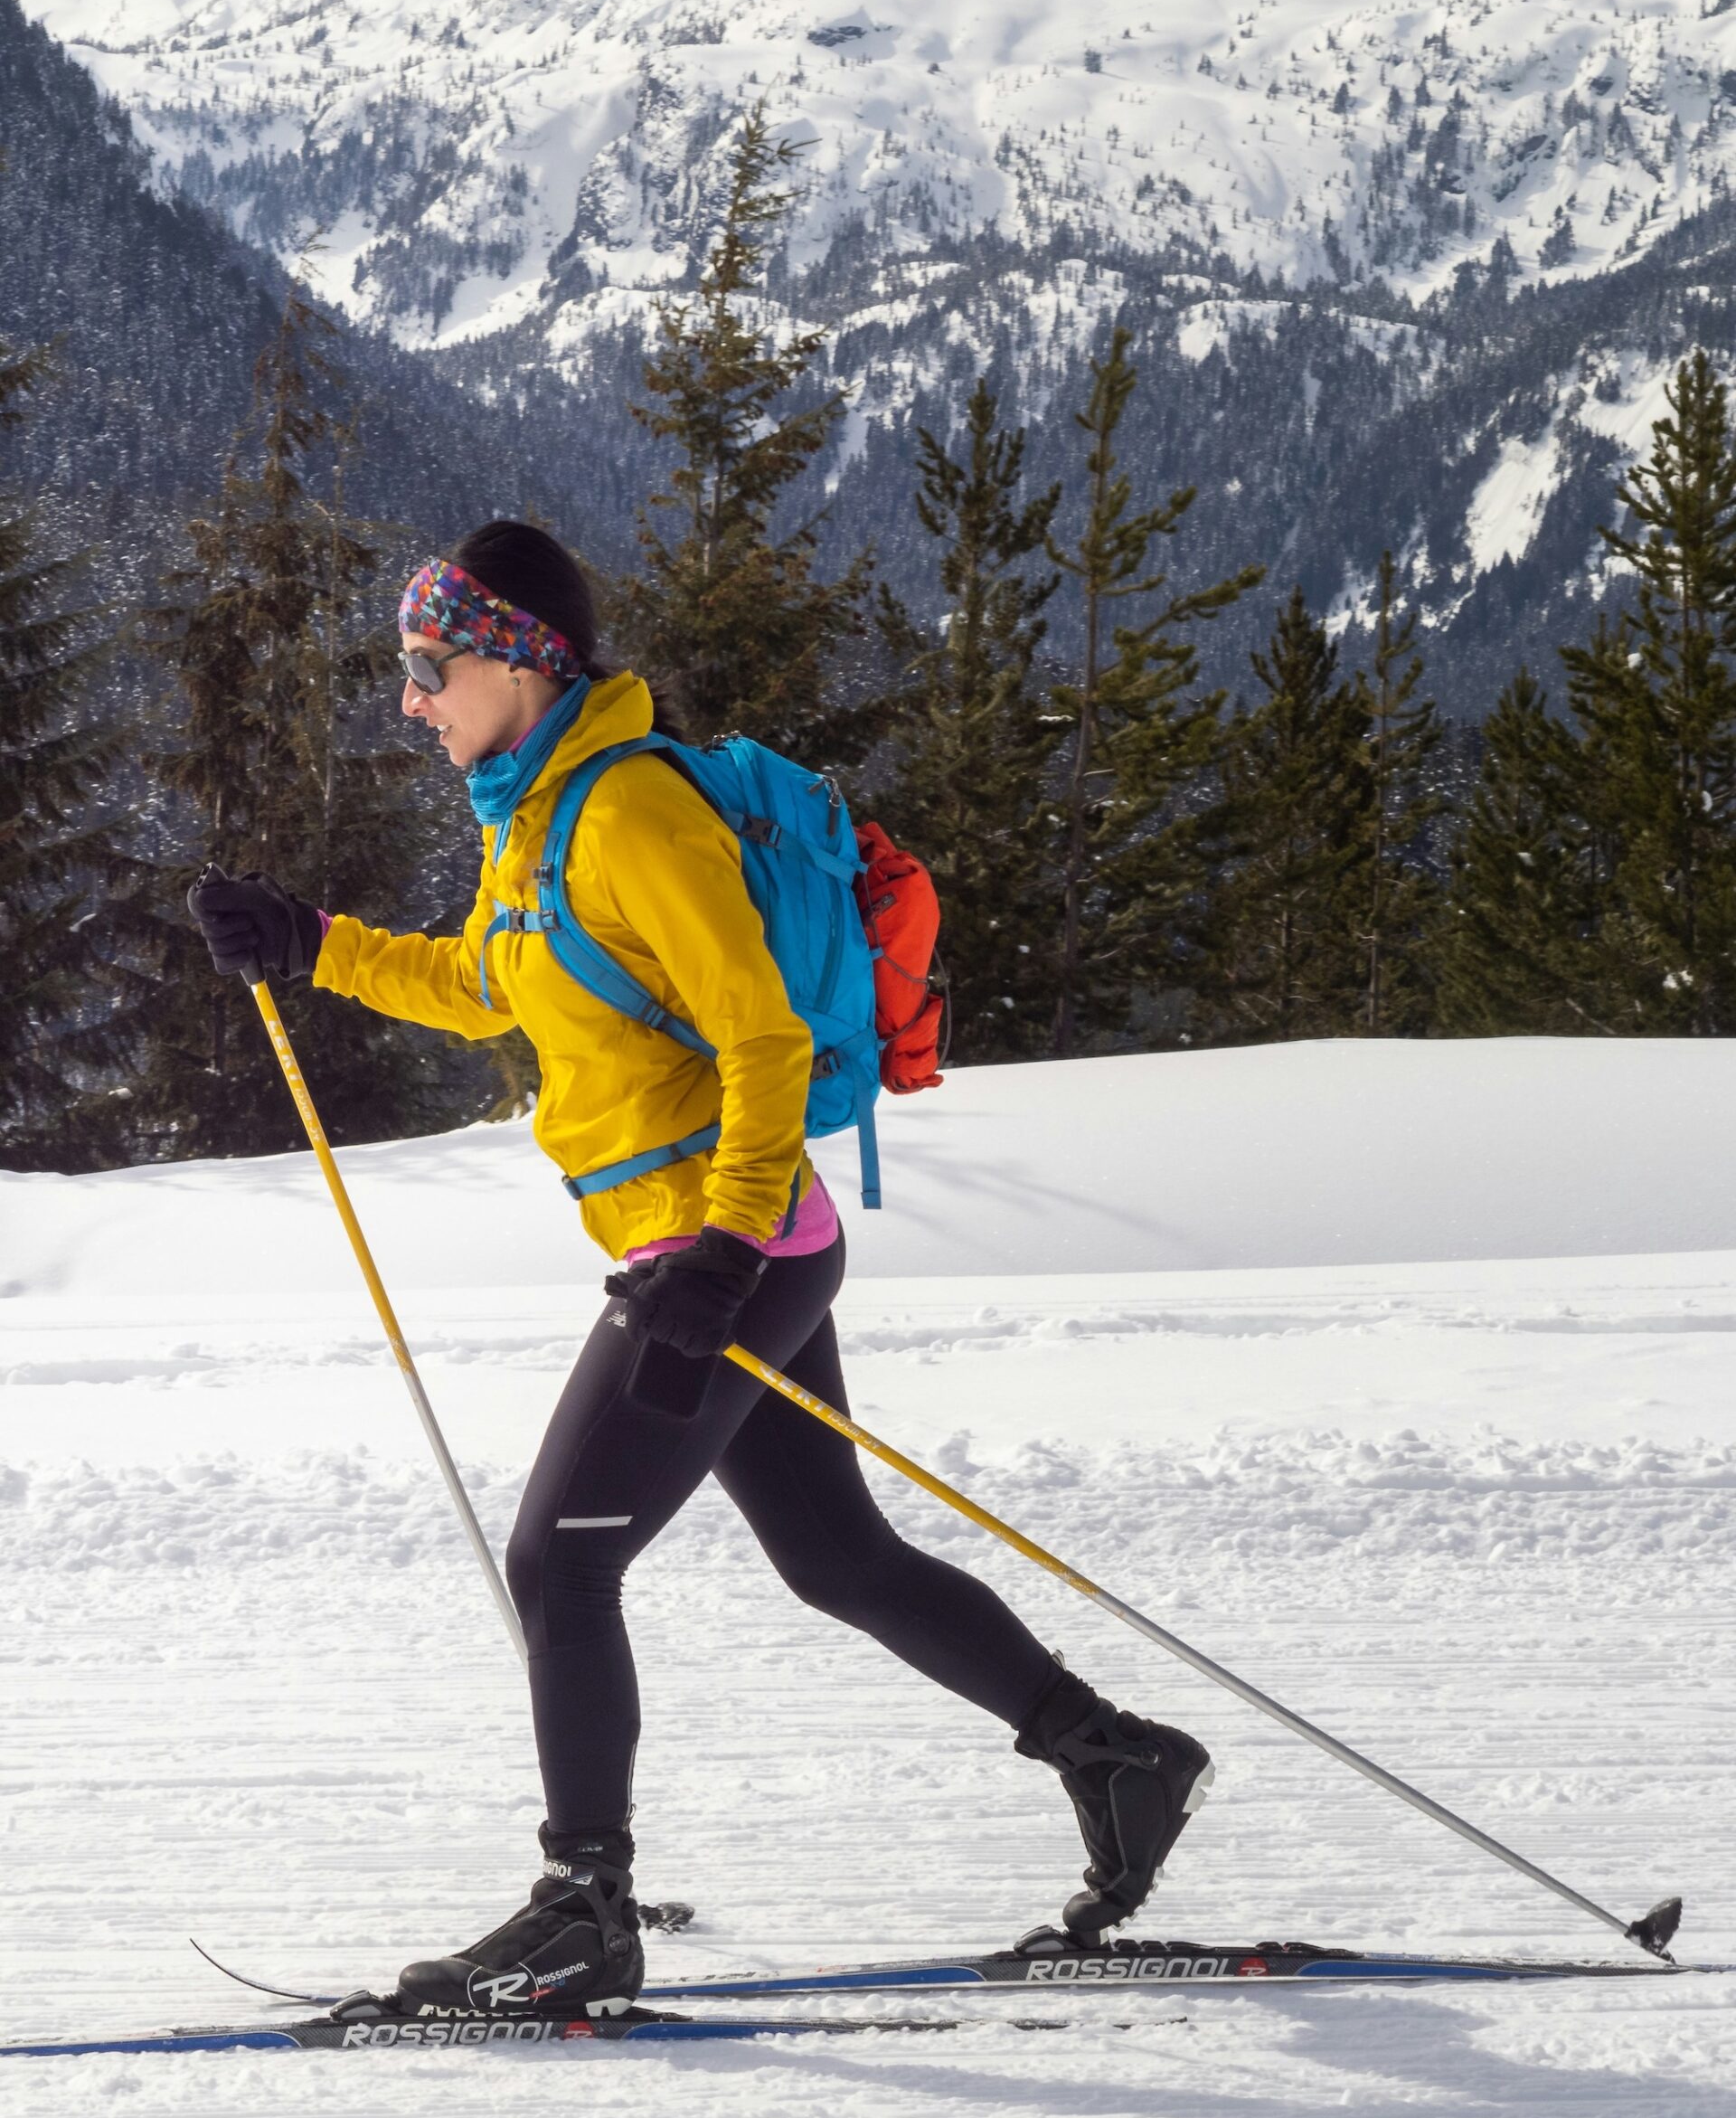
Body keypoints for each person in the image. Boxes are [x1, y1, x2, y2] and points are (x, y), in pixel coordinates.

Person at [187, 520, 1212, 2019]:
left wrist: (724, 1255)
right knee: (838, 1559)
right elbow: (489, 984)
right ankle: (1118, 1760)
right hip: (728, 1251)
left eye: (428, 664)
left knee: (560, 1560)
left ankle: (583, 1907)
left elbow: (762, 1041)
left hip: (720, 1250)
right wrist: (315, 941)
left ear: (523, 660)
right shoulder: (533, 817)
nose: (409, 697)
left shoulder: (631, 814)